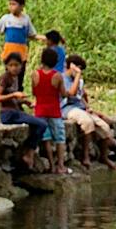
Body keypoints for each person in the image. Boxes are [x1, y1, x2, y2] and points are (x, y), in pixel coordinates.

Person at [62, 54, 116, 167]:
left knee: (104, 127)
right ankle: (86, 156)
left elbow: (81, 95)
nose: (80, 72)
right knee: (87, 122)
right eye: (79, 68)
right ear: (72, 66)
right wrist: (77, 76)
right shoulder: (63, 78)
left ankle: (104, 156)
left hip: (79, 107)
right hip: (67, 108)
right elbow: (71, 94)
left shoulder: (79, 80)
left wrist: (88, 107)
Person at [0, 49, 46, 169]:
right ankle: (29, 152)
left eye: (16, 65)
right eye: (11, 65)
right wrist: (14, 95)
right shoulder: (5, 78)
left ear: (21, 66)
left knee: (39, 123)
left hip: (15, 111)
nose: (14, 68)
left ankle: (28, 151)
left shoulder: (16, 78)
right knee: (41, 124)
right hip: (8, 113)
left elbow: (14, 99)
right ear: (7, 66)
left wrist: (24, 102)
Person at [32, 44, 68, 173]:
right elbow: (63, 93)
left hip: (40, 110)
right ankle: (61, 165)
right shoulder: (57, 76)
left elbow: (34, 92)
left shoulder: (35, 74)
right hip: (54, 111)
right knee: (59, 138)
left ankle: (52, 165)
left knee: (46, 139)